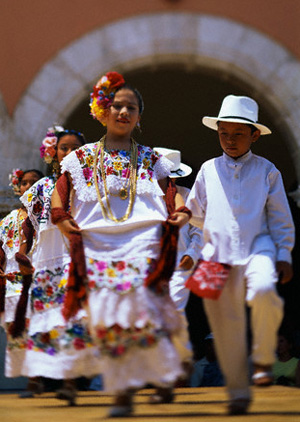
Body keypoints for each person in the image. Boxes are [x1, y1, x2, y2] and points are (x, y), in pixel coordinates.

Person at [51, 71, 191, 417]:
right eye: (116, 106)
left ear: (139, 117)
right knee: (109, 316)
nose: (123, 112)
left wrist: (181, 213)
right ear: (102, 109)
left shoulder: (150, 158)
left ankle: (146, 381)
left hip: (143, 241)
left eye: (131, 108)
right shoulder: (80, 158)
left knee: (138, 309)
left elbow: (170, 193)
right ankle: (128, 388)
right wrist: (60, 216)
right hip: (98, 243)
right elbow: (61, 192)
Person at [186, 95, 295, 415]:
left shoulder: (267, 171)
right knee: (224, 325)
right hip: (217, 253)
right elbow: (194, 213)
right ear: (217, 132)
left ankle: (263, 358)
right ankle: (237, 392)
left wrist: (284, 253)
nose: (230, 141)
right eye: (224, 134)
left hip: (257, 246)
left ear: (254, 135)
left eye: (238, 134)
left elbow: (279, 218)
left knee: (263, 290)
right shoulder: (208, 169)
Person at [18, 126, 102, 405]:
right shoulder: (41, 187)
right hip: (46, 257)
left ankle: (69, 381)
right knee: (43, 317)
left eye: (75, 147)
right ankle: (36, 380)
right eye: (64, 147)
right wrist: (22, 253)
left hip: (76, 254)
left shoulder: (90, 183)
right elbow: (28, 224)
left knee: (73, 317)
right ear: (54, 153)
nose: (69, 152)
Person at [153, 148, 202, 381]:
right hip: (150, 266)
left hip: (180, 264)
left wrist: (192, 253)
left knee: (175, 310)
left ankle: (180, 361)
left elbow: (199, 231)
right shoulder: (144, 198)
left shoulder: (187, 195)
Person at [0, 168, 44, 397]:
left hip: (38, 281)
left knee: (36, 329)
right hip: (12, 283)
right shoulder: (7, 220)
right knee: (16, 332)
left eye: (34, 182)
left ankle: (37, 380)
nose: (28, 187)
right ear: (19, 187)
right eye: (24, 183)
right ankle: (32, 378)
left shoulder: (46, 216)